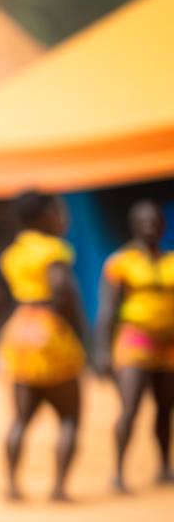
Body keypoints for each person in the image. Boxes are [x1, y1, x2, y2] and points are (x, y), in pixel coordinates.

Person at [0, 192, 88, 502]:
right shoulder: (54, 249)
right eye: (57, 210)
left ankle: (11, 486)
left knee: (21, 417)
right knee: (70, 417)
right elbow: (63, 290)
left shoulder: (13, 252)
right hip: (50, 329)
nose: (62, 216)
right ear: (43, 215)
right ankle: (59, 488)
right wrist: (83, 336)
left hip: (20, 327)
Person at [96, 199, 174, 491]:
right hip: (136, 340)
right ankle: (117, 472)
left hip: (169, 343)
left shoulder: (171, 261)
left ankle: (165, 467)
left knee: (166, 409)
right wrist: (103, 351)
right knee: (129, 407)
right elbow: (106, 310)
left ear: (163, 224)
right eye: (144, 221)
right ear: (133, 225)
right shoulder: (120, 263)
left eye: (155, 221)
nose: (150, 226)